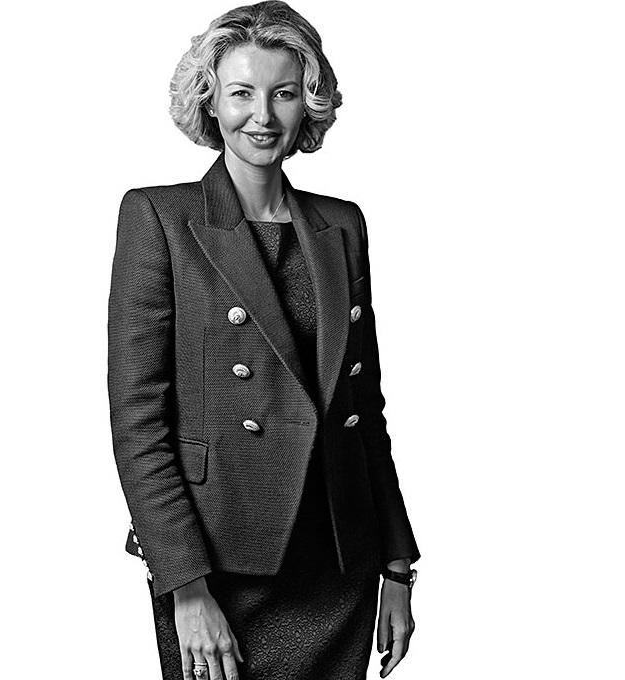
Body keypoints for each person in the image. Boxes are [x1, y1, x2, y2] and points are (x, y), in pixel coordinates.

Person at [107, 3, 422, 678]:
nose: (263, 116)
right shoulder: (159, 217)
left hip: (339, 558)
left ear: (309, 103)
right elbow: (138, 423)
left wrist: (397, 564)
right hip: (220, 562)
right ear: (209, 101)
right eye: (241, 93)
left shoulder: (341, 224)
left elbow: (363, 412)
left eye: (283, 93)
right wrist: (183, 585)